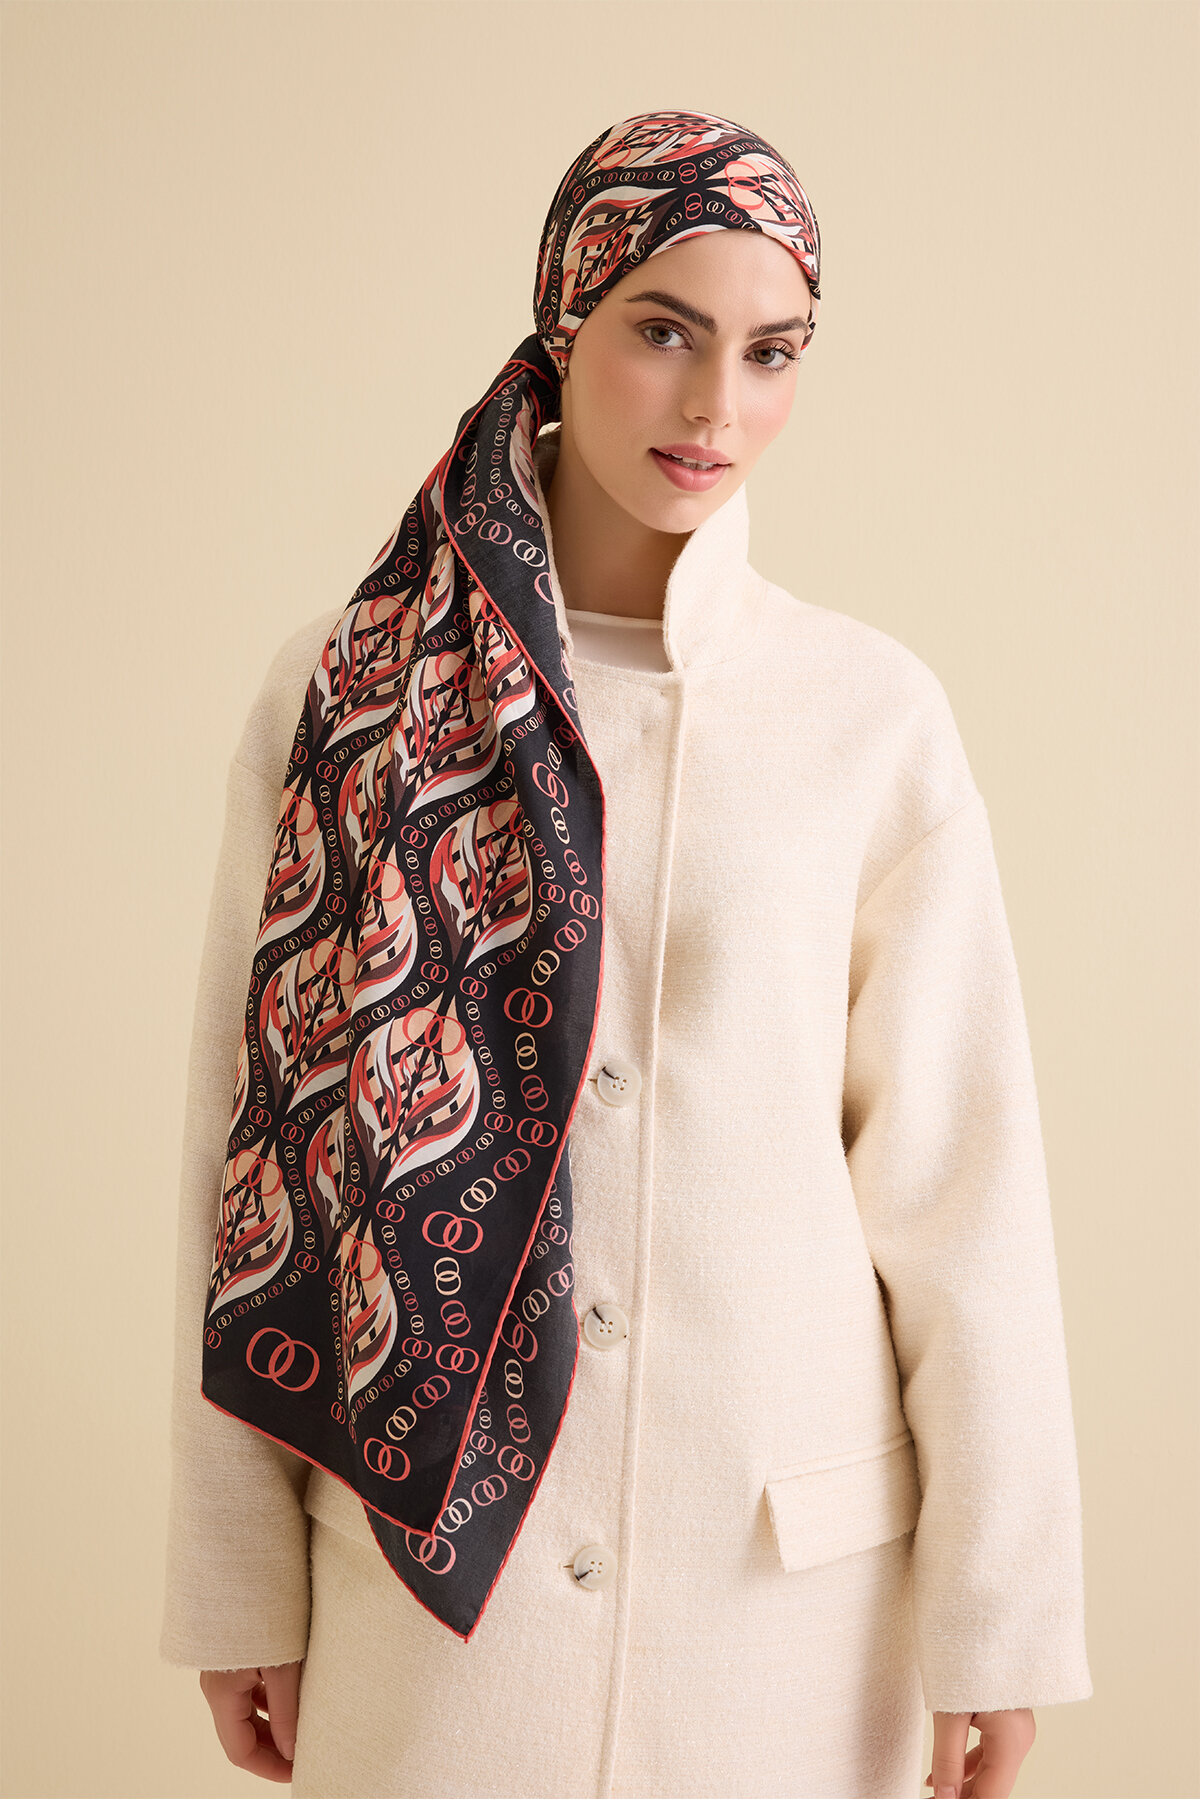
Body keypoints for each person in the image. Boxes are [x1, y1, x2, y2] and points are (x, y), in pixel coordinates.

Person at [159, 110, 1092, 1800]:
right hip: (427, 1607)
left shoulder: (867, 716)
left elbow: (963, 1189)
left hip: (785, 1614)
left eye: (771, 351)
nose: (715, 404)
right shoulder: (345, 694)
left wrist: (1001, 1620)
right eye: (665, 331)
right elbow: (253, 1166)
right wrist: (240, 1581)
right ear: (564, 322)